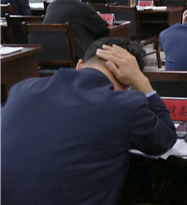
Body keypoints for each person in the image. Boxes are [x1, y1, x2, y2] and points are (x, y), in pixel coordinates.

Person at [1, 38, 176, 205]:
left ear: (80, 65)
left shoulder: (22, 90)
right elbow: (166, 137)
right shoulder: (124, 105)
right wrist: (141, 81)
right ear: (126, 84)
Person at [43, 0, 109, 59]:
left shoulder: (51, 6)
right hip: (75, 55)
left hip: (49, 54)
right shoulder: (82, 7)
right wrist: (96, 16)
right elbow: (102, 26)